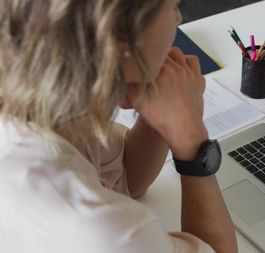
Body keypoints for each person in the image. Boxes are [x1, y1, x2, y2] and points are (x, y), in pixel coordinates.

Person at [0, 1, 237, 252]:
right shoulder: (108, 231)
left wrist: (162, 115)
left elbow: (128, 176)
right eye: (173, 6)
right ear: (119, 36)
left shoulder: (44, 104)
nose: (178, 18)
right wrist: (193, 143)